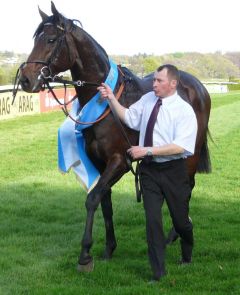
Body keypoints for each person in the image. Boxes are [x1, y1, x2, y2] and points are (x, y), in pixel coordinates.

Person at [97, 64, 197, 281]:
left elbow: (181, 146)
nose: (154, 84)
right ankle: (158, 273)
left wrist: (147, 150)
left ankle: (187, 249)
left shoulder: (184, 111)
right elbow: (129, 117)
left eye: (159, 81)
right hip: (149, 171)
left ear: (173, 84)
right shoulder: (147, 100)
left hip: (173, 170)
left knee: (180, 222)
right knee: (153, 222)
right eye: (154, 80)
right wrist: (111, 98)